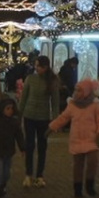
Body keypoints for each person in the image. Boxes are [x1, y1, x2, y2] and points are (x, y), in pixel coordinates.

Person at [49, 78, 99, 198]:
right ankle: (77, 188)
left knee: (92, 163)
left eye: (79, 90)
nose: (76, 93)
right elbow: (63, 118)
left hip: (92, 140)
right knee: (77, 166)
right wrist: (52, 127)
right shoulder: (72, 106)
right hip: (77, 140)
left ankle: (90, 184)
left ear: (86, 91)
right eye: (76, 90)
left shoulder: (95, 106)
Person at [17, 54, 60, 188]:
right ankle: (28, 174)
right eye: (35, 66)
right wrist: (19, 115)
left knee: (42, 147)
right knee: (29, 146)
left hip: (43, 118)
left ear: (45, 67)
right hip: (29, 116)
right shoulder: (30, 78)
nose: (36, 68)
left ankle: (39, 175)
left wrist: (55, 120)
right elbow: (23, 98)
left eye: (39, 66)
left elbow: (55, 101)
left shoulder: (52, 81)